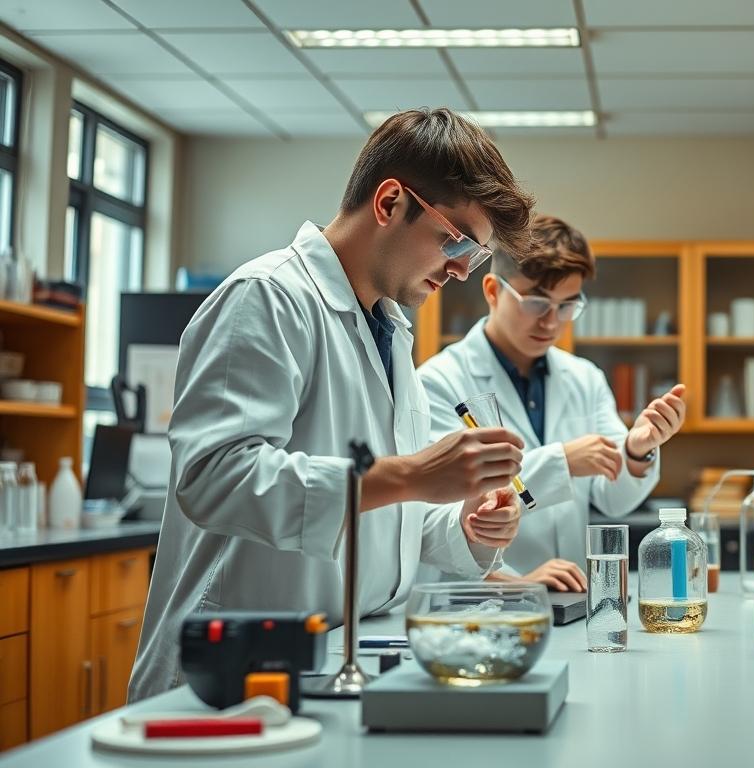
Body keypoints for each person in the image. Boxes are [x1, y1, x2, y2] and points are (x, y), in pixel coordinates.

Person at [130, 108, 534, 700]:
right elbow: (214, 477)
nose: (459, 271)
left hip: (337, 661)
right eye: (457, 243)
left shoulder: (390, 332)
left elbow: (392, 521)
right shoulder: (266, 298)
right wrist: (410, 474)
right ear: (390, 201)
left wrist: (469, 525)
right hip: (229, 681)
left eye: (474, 258)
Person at [418, 214, 687, 591]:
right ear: (493, 291)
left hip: (571, 597)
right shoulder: (440, 381)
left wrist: (637, 450)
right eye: (536, 302)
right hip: (484, 597)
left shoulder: (585, 378)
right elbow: (440, 514)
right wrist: (516, 583)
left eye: (566, 306)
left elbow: (615, 499)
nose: (551, 322)